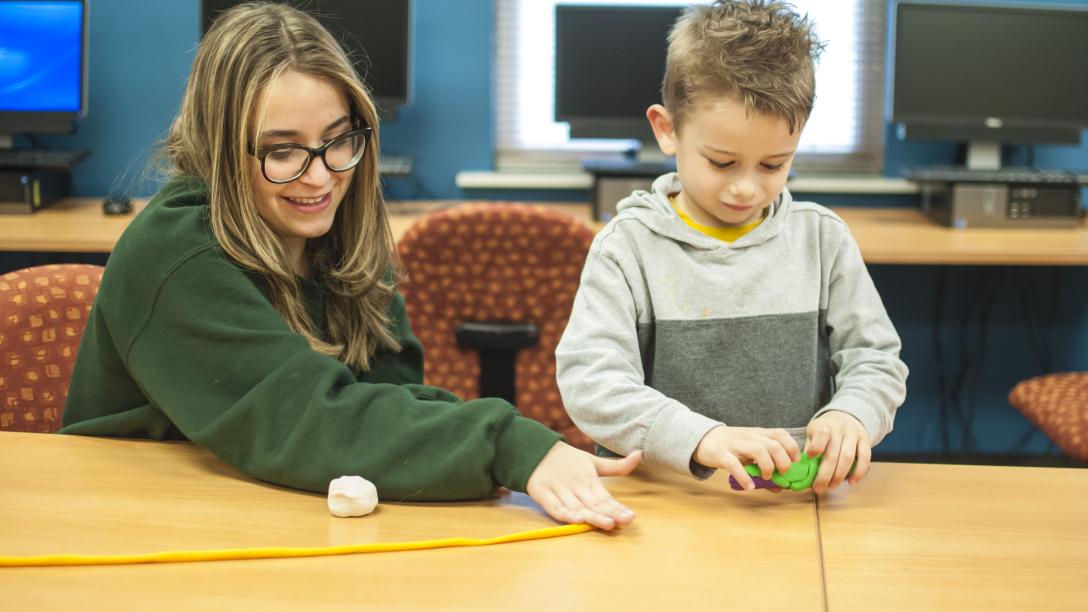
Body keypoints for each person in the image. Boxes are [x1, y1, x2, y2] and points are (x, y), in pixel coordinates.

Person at [61, 2, 638, 530]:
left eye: (339, 141)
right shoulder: (174, 252)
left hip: (267, 505)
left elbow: (389, 399)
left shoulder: (337, 234)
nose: (320, 177)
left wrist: (531, 452)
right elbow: (309, 420)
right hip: (136, 516)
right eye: (282, 151)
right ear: (218, 148)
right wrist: (509, 444)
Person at [556, 0, 908, 495]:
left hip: (793, 506)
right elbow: (592, 385)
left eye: (772, 165)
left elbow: (875, 359)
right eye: (722, 162)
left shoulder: (822, 239)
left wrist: (854, 412)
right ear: (666, 129)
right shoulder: (627, 247)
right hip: (670, 500)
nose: (746, 188)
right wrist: (702, 438)